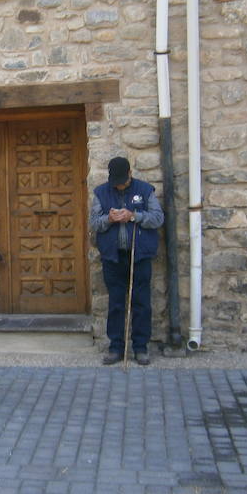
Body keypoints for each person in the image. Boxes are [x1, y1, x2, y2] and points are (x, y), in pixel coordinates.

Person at [89, 156, 164, 366]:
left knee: (141, 303)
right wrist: (109, 219)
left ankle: (140, 347)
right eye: (116, 181)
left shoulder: (145, 190)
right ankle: (116, 347)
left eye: (122, 180)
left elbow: (158, 218)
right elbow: (94, 223)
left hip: (139, 256)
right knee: (115, 303)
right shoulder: (101, 192)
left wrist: (134, 216)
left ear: (130, 174)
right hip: (113, 257)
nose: (119, 185)